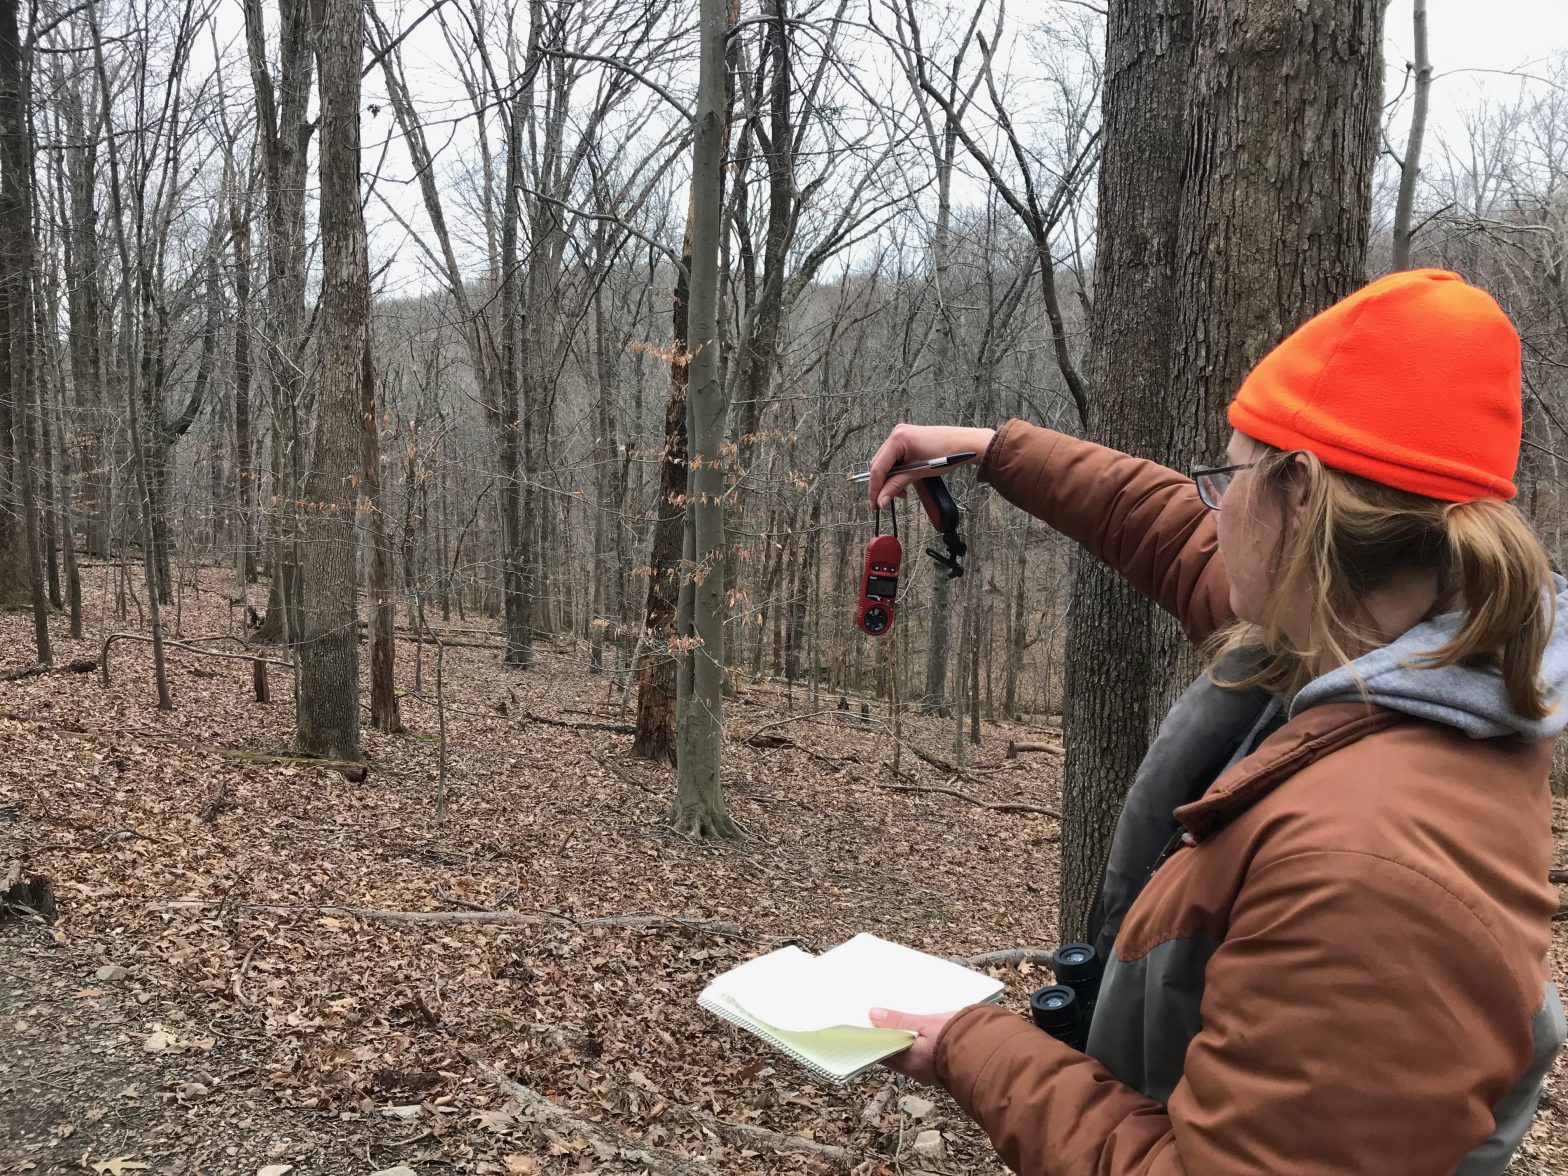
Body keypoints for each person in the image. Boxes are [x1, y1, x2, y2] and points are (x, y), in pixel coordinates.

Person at [862, 269, 1567, 1174]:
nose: (1213, 504)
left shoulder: (1367, 875)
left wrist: (970, 1046)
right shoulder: (1394, 639)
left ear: (1303, 497)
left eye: (1228, 476)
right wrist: (994, 451)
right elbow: (1164, 527)